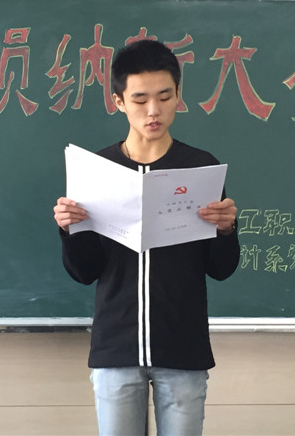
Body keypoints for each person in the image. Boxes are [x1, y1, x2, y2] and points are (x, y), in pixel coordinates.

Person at [53, 39, 240, 436]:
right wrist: (69, 230)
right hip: (116, 347)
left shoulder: (200, 168)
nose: (153, 111)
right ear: (119, 101)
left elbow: (221, 269)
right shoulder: (98, 170)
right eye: (139, 99)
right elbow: (85, 272)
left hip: (183, 347)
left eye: (164, 97)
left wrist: (226, 230)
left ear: (178, 96)